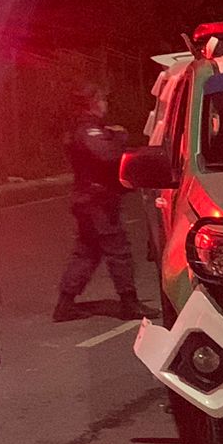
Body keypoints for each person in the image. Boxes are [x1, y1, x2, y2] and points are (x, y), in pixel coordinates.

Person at [54, 85, 151, 322]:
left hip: (89, 199)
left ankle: (65, 304)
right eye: (102, 100)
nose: (105, 105)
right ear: (93, 103)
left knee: (87, 252)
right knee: (118, 250)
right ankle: (129, 302)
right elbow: (106, 154)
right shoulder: (87, 129)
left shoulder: (85, 127)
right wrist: (118, 136)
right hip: (97, 201)